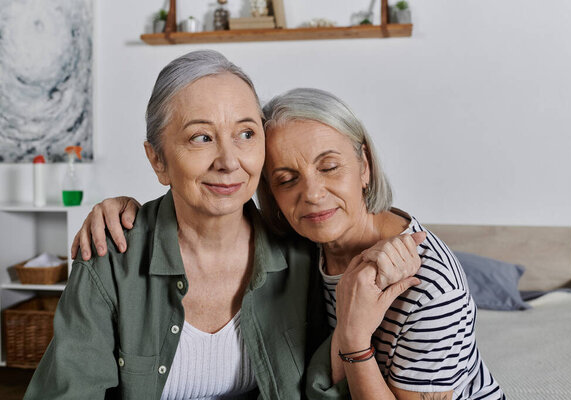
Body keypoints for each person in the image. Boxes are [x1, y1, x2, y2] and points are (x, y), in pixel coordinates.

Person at [25, 51, 421, 400]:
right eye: (201, 137)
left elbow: (321, 388)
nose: (229, 161)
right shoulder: (111, 256)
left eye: (246, 133)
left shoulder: (301, 248)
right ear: (158, 160)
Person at [73, 86, 504, 399]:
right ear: (271, 196)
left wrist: (354, 338)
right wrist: (125, 208)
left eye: (330, 167)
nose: (312, 194)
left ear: (365, 166)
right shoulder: (301, 246)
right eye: (286, 179)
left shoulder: (427, 285)